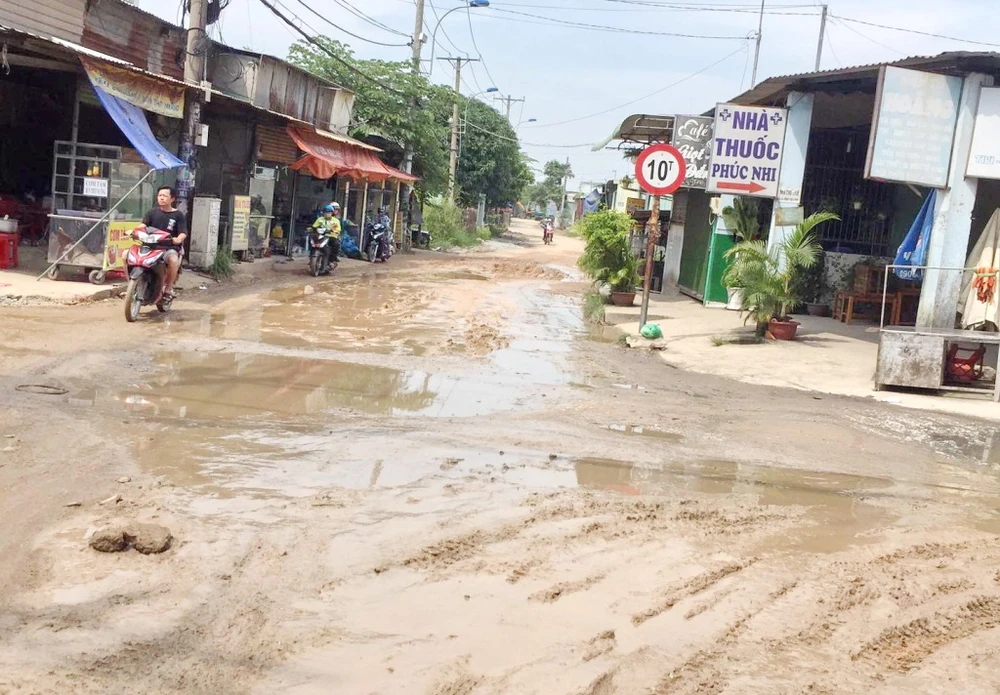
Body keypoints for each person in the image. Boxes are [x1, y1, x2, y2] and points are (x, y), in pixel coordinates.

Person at [142, 186, 187, 298]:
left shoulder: (178, 215)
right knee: (126, 255)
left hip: (168, 248)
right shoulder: (152, 212)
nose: (161, 198)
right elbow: (143, 225)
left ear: (172, 199)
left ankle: (168, 288)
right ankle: (131, 285)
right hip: (151, 246)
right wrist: (133, 231)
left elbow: (183, 232)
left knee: (173, 260)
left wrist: (178, 239)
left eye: (165, 196)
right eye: (160, 195)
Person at [312, 203, 341, 272]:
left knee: (336, 244)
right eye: (325, 212)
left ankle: (332, 260)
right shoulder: (320, 219)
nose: (327, 214)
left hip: (331, 237)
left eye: (328, 213)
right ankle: (311, 256)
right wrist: (313, 229)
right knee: (313, 241)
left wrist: (333, 231)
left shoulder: (335, 221)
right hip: (321, 236)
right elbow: (314, 226)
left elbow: (337, 229)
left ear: (331, 213)